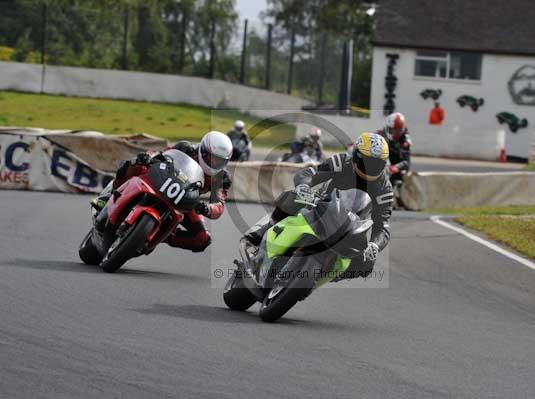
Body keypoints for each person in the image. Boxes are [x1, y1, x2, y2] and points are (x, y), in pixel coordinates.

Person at [245, 132, 393, 280]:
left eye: (376, 164)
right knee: (292, 196)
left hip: (351, 227)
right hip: (323, 207)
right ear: (356, 155)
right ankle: (262, 234)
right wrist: (304, 186)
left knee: (367, 264)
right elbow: (310, 173)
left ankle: (324, 277)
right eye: (367, 162)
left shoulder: (384, 188)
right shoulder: (342, 162)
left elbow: (383, 226)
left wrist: (374, 245)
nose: (370, 167)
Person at [93, 131, 233, 253]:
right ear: (203, 150)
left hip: (185, 199)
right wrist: (149, 158)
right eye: (212, 158)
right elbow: (162, 154)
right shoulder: (186, 148)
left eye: (219, 161)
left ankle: (158, 235)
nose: (214, 163)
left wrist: (206, 208)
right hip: (162, 178)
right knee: (134, 164)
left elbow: (219, 206)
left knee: (202, 239)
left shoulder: (222, 178)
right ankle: (108, 197)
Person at [377, 112, 412, 185]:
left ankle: (396, 189)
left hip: (396, 166)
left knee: (402, 174)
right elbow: (372, 136)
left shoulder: (405, 141)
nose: (395, 132)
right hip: (383, 163)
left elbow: (406, 163)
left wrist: (396, 167)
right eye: (393, 129)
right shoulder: (383, 132)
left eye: (398, 130)